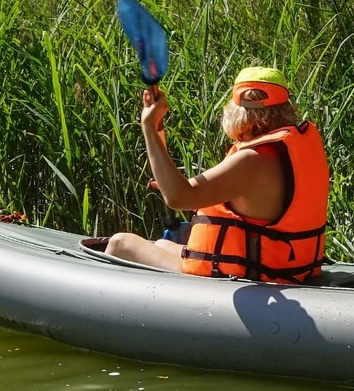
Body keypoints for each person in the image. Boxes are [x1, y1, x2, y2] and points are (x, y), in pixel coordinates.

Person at [101, 66, 331, 283]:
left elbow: (178, 198)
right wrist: (159, 126)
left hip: (255, 276)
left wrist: (148, 127)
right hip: (284, 268)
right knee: (162, 244)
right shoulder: (285, 152)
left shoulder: (251, 161)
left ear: (239, 115)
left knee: (120, 243)